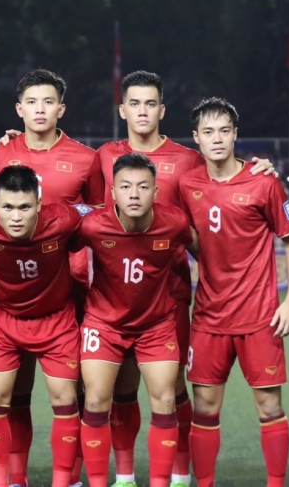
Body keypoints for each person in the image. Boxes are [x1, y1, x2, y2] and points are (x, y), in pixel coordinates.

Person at [95, 71, 276, 487]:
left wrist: (259, 167)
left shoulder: (187, 160)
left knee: (174, 388)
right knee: (122, 388)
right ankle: (125, 476)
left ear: (162, 110)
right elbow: (85, 211)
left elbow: (223, 182)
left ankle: (179, 474)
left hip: (169, 294)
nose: (142, 112)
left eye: (150, 104)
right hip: (115, 295)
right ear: (122, 110)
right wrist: (14, 140)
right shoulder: (103, 156)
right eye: (134, 103)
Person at [179, 98, 289, 487]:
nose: (217, 138)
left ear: (235, 134)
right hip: (209, 316)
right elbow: (190, 237)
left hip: (260, 316)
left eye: (224, 130)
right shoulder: (187, 184)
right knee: (204, 406)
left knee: (269, 405)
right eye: (208, 132)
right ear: (196, 138)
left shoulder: (264, 182)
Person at [0, 68, 103, 487]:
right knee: (15, 392)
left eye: (48, 102)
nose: (40, 109)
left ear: (62, 109)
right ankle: (15, 478)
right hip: (13, 293)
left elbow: (98, 218)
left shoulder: (86, 158)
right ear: (19, 109)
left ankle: (69, 478)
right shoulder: (0, 154)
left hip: (69, 291)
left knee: (74, 392)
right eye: (31, 102)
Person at [75, 153, 198, 487]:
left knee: (166, 399)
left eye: (143, 187)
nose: (134, 194)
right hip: (104, 324)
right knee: (96, 400)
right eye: (126, 186)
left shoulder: (174, 223)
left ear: (155, 192)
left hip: (156, 325)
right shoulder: (92, 225)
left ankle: (161, 481)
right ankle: (107, 481)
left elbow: (205, 252)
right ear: (112, 192)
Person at [0, 165, 83, 487]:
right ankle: (6, 482)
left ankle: (62, 483)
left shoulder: (64, 219)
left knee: (65, 399)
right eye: (8, 207)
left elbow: (95, 218)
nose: (16, 216)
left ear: (39, 203)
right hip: (1, 320)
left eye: (25, 207)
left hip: (55, 320)